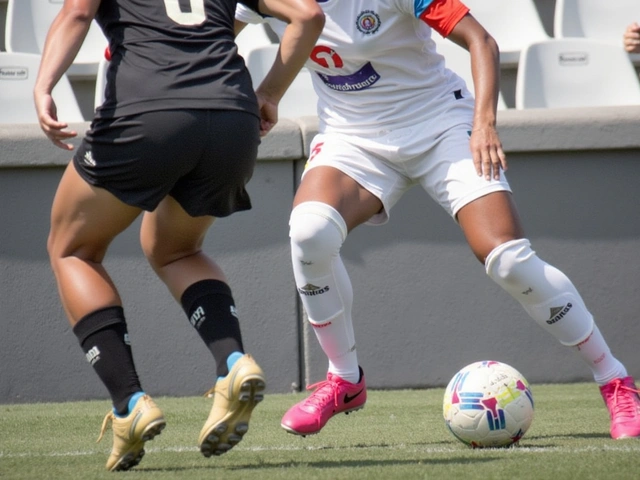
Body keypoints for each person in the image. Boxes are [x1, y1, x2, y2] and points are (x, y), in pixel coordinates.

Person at [236, 0, 640, 440]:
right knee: (308, 232)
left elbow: (481, 40)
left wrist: (483, 122)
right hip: (352, 138)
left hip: (440, 125)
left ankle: (615, 381)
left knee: (508, 261)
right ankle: (344, 380)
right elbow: (209, 38)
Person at [34, 0, 324, 471]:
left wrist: (44, 84)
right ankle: (232, 362)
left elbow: (76, 14)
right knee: (175, 249)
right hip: (233, 119)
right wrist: (269, 93)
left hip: (150, 113)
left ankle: (129, 403)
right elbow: (309, 16)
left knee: (72, 250)